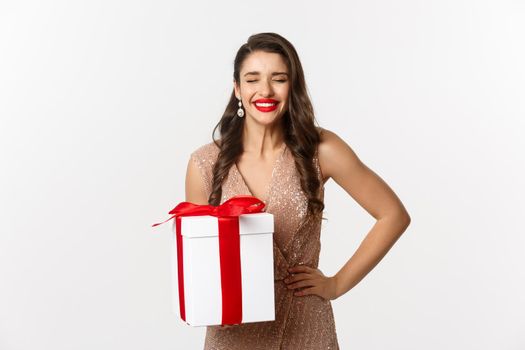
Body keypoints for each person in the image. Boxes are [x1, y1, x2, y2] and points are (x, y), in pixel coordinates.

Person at [185, 32, 411, 350]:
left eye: (279, 79)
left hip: (305, 325)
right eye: (252, 79)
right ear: (237, 88)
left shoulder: (322, 149)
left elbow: (393, 215)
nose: (265, 90)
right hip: (233, 332)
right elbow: (201, 265)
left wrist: (336, 284)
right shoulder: (205, 163)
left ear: (293, 86)